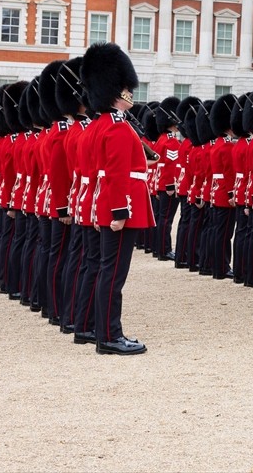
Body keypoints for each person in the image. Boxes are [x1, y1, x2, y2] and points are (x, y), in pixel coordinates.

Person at [82, 41, 155, 355]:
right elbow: (115, 174)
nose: (131, 91)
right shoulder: (117, 129)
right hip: (120, 211)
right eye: (126, 87)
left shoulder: (101, 126)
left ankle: (105, 332)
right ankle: (110, 336)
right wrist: (119, 212)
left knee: (107, 271)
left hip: (110, 206)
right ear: (117, 89)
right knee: (113, 275)